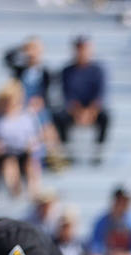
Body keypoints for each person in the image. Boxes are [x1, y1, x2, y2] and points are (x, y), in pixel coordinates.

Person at [0, 82, 44, 199]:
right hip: (4, 153)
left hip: (23, 151)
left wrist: (31, 146)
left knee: (30, 162)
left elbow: (36, 137)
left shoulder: (27, 116)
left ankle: (33, 193)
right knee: (10, 162)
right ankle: (15, 192)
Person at [53, 36, 111, 166]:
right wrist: (78, 112)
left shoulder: (98, 71)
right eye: (79, 49)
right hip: (74, 111)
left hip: (92, 111)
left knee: (105, 117)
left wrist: (90, 112)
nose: (82, 52)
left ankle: (98, 152)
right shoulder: (67, 71)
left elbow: (100, 94)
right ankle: (67, 152)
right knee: (59, 118)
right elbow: (67, 95)